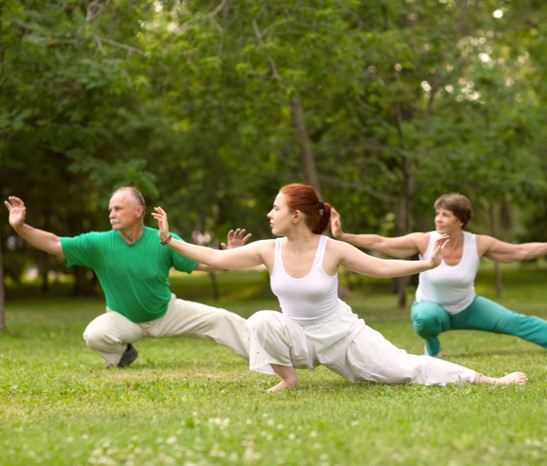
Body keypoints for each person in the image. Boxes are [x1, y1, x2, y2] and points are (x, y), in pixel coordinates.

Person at [152, 183, 527, 392]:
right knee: (261, 320)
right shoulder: (268, 250)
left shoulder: (332, 250)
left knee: (405, 370)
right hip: (298, 335)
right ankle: (289, 380)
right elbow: (214, 259)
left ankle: (488, 379)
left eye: (275, 208)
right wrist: (170, 240)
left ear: (295, 216)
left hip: (343, 336)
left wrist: (426, 263)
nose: (269, 214)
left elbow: (380, 266)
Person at [4, 187, 251, 368]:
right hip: (123, 319)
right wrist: (20, 227)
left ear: (138, 210)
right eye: (110, 208)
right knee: (94, 334)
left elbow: (202, 263)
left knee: (221, 318)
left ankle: (264, 356)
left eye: (118, 208)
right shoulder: (97, 243)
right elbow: (54, 243)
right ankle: (123, 354)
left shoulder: (163, 239)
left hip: (167, 312)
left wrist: (230, 255)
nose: (111, 213)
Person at [330, 193, 547, 358]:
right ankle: (432, 343)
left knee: (517, 321)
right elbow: (381, 242)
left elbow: (520, 251)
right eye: (437, 213)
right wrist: (343, 235)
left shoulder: (478, 243)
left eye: (445, 214)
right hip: (431, 308)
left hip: (468, 307)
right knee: (425, 319)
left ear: (461, 220)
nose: (438, 219)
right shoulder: (424, 240)